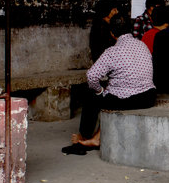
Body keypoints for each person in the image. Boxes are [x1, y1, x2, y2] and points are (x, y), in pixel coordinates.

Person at [63, 18, 156, 155]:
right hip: (148, 97)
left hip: (126, 100)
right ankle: (96, 138)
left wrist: (100, 91)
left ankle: (84, 137)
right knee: (110, 88)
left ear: (112, 33)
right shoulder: (142, 45)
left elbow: (91, 76)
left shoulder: (112, 52)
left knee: (91, 93)